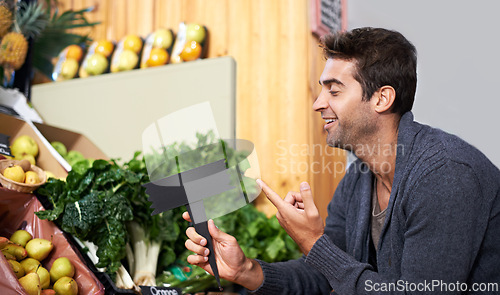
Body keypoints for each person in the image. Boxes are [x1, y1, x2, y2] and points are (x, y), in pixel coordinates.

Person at [183, 27, 500, 294]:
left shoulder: (445, 175)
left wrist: (314, 242)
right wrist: (246, 270)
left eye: (334, 91)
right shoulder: (360, 178)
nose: (319, 104)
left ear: (381, 98)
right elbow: (326, 272)